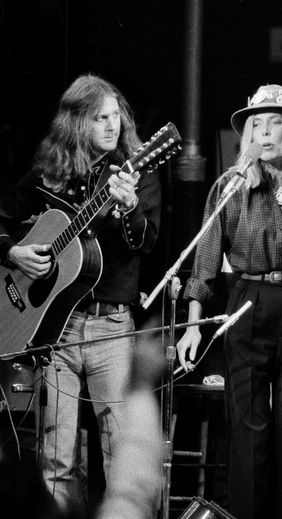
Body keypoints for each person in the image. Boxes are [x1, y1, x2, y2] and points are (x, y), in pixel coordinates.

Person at [0, 73, 160, 516]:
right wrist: (13, 251)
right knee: (55, 452)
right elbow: (3, 222)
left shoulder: (136, 171)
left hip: (111, 327)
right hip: (56, 329)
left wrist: (129, 209)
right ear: (76, 124)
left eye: (115, 117)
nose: (111, 126)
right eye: (98, 118)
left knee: (119, 448)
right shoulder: (46, 176)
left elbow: (146, 243)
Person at [177, 84, 282, 519]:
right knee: (247, 422)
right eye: (256, 125)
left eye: (275, 123)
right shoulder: (231, 186)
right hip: (247, 299)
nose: (265, 133)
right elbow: (206, 260)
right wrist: (193, 325)